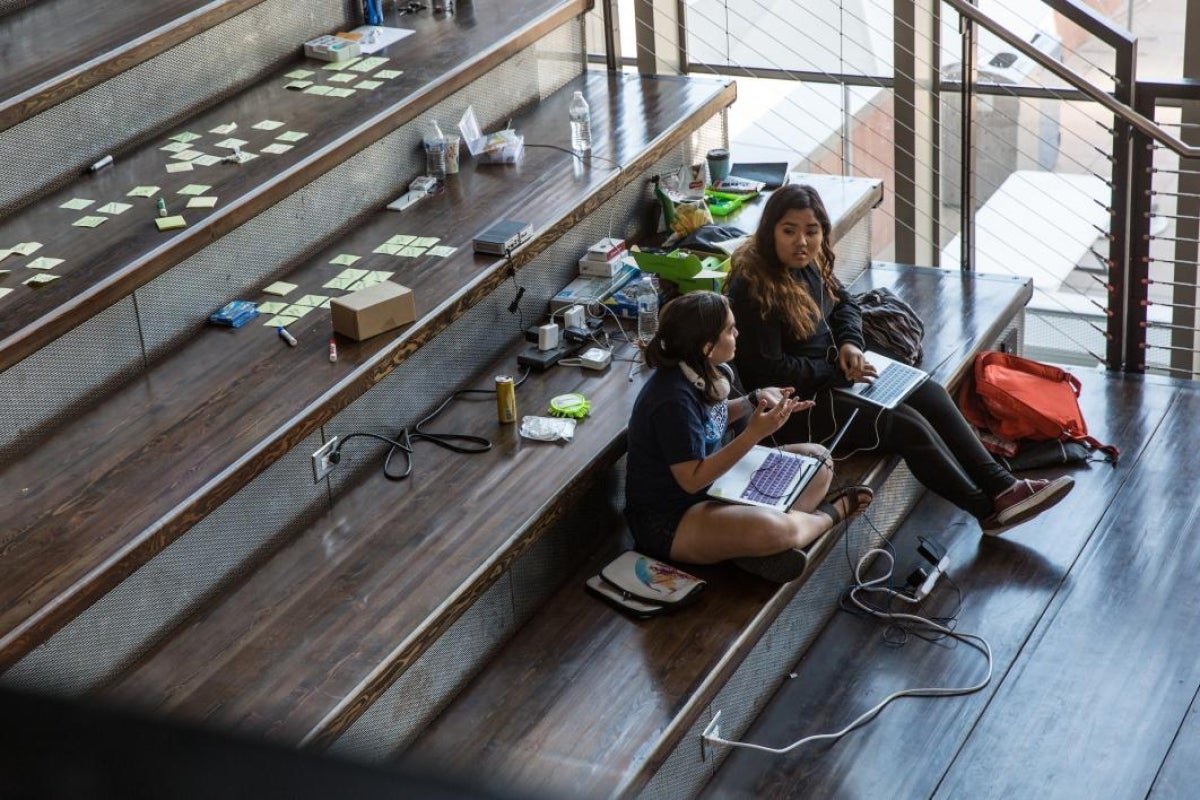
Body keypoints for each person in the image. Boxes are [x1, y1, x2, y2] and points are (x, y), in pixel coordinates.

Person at [725, 183, 1074, 534]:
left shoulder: (808, 265)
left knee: (929, 392)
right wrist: (835, 372)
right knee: (905, 424)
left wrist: (851, 346)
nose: (802, 241)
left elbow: (844, 303)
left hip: (834, 375)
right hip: (796, 408)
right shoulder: (754, 287)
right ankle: (985, 511)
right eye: (789, 231)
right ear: (770, 231)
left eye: (811, 231)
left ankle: (1004, 486)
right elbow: (766, 371)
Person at [623, 291, 873, 583]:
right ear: (706, 346)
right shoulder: (672, 400)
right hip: (672, 518)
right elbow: (691, 478)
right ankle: (827, 516)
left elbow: (710, 421)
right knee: (777, 530)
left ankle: (743, 546)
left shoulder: (703, 372)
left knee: (820, 460)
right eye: (730, 329)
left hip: (719, 488)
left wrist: (753, 400)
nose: (737, 333)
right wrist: (754, 434)